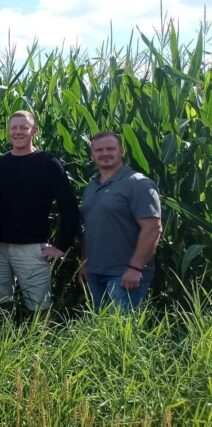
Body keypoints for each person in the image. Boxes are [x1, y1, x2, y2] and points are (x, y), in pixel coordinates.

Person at [0, 111, 80, 314]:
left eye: (24, 127)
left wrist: (61, 246)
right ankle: (2, 342)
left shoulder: (48, 163)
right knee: (0, 303)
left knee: (39, 307)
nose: (18, 132)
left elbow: (69, 207)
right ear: (8, 132)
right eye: (14, 128)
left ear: (34, 131)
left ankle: (40, 343)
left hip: (31, 247)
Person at [78, 132, 162, 312]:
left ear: (122, 151)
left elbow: (152, 228)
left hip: (124, 274)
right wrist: (84, 263)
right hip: (95, 271)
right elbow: (90, 226)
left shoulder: (138, 184)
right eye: (99, 150)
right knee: (102, 333)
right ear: (92, 154)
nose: (104, 153)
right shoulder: (91, 185)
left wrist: (135, 267)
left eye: (110, 149)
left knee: (122, 333)